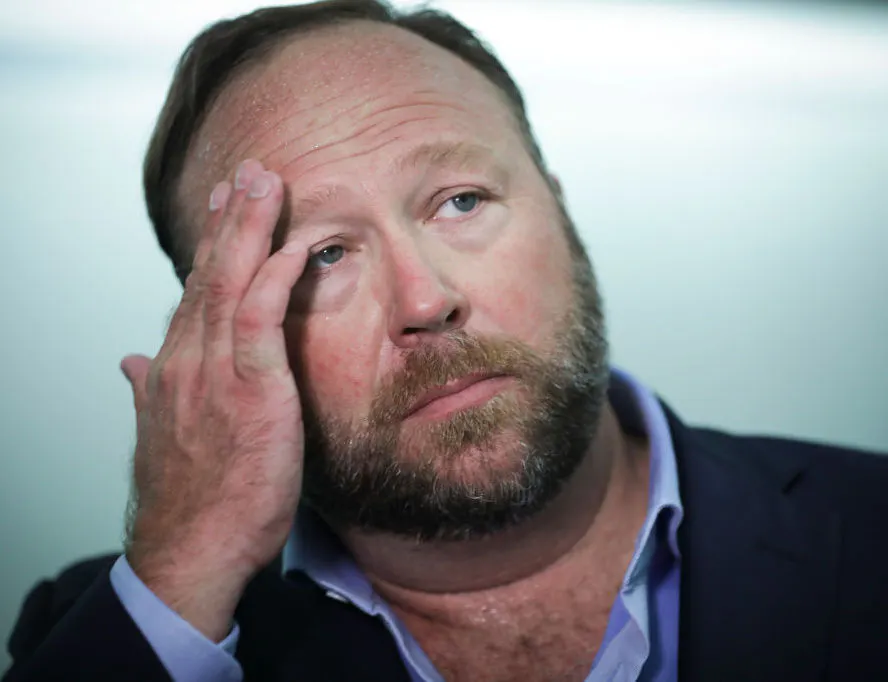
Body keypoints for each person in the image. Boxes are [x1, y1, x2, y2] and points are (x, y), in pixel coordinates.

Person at [4, 1, 888, 680]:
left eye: (461, 201)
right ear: (219, 335)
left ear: (559, 209)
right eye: (323, 255)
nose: (426, 300)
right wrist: (184, 566)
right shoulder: (142, 626)